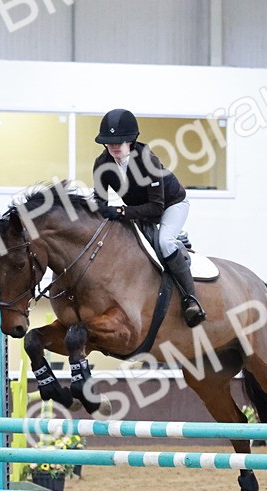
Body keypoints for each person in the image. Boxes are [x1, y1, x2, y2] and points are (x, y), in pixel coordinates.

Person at [91, 109, 205, 327]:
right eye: (109, 142)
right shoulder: (102, 164)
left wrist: (121, 213)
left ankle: (191, 299)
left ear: (131, 140)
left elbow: (155, 208)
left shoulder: (147, 160)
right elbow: (99, 201)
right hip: (138, 209)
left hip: (171, 205)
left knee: (164, 242)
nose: (114, 146)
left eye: (120, 141)